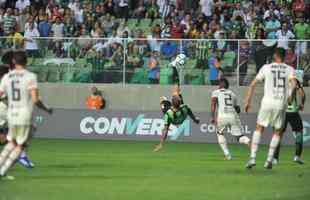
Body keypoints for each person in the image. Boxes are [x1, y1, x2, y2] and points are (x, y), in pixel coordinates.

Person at [0, 50, 52, 179]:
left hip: (8, 109)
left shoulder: (7, 75)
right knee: (25, 134)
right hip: (11, 109)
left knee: (10, 138)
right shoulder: (27, 76)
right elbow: (35, 99)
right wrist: (46, 109)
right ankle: (19, 157)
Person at [245, 48, 297, 170]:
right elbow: (294, 84)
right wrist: (291, 94)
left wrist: (247, 100)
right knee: (277, 131)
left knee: (259, 128)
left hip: (267, 102)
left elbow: (253, 84)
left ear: (275, 55)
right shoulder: (289, 69)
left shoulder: (266, 67)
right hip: (280, 103)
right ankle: (269, 160)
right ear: (285, 57)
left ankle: (252, 158)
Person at [155, 54, 200, 152]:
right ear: (178, 101)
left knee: (162, 99)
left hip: (175, 119)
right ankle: (175, 66)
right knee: (176, 88)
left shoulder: (168, 113)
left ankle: (174, 66)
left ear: (172, 102)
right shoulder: (184, 107)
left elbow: (166, 130)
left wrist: (161, 144)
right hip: (180, 117)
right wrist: (195, 119)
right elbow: (189, 112)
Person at [211, 78, 250, 160]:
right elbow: (237, 109)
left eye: (219, 83)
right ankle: (248, 141)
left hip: (222, 116)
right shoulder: (232, 94)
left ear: (221, 85)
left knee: (219, 133)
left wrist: (212, 117)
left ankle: (227, 155)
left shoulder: (216, 92)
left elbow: (213, 105)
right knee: (239, 137)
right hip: (232, 116)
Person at [273, 79, 306, 164]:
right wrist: (302, 104)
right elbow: (302, 94)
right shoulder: (294, 81)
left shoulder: (279, 81)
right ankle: (297, 157)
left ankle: (275, 159)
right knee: (299, 132)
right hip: (293, 112)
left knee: (278, 135)